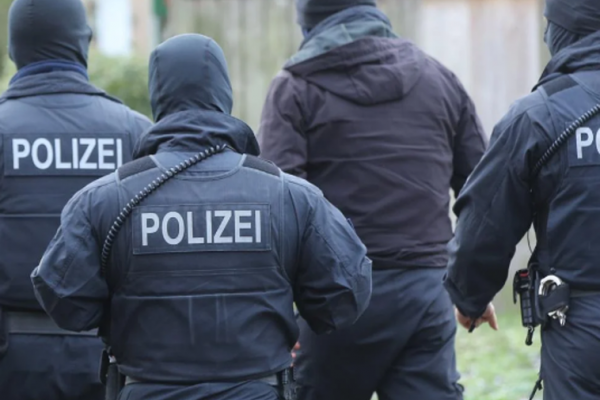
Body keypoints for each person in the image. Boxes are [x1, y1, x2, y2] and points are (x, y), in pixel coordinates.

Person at [31, 33, 372, 400]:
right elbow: (344, 297)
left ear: (158, 95)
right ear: (224, 94)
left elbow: (65, 303)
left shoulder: (102, 200)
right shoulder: (291, 196)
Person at [257, 1, 487, 399]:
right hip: (425, 294)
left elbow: (279, 208)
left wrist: (278, 313)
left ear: (309, 21)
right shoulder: (439, 78)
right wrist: (473, 288)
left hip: (335, 302)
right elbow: (482, 192)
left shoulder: (295, 88)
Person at [444, 0, 600, 399]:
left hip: (582, 330)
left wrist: (469, 296)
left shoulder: (539, 115)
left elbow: (486, 219)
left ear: (563, 33)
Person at [0, 0, 151, 399]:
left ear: (14, 50)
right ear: (82, 43)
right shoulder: (135, 133)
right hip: (112, 359)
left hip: (10, 359)